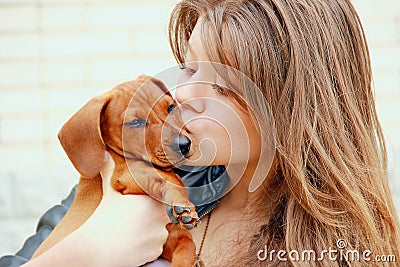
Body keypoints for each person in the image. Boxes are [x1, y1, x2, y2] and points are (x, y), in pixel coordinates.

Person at [1, 0, 399, 266]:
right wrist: (80, 255)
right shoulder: (128, 178)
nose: (182, 96)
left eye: (223, 87)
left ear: (297, 112)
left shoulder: (341, 251)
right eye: (188, 68)